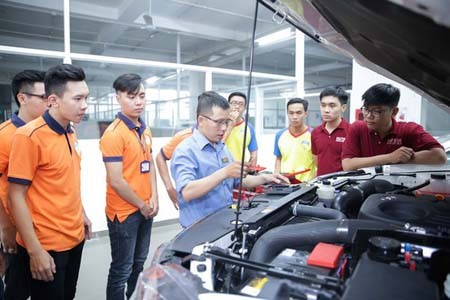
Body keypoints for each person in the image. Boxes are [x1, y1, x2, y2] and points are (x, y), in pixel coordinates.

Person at [7, 64, 91, 300]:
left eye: (86, 97)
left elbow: (67, 178)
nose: (85, 105)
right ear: (53, 100)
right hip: (47, 245)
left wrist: (81, 213)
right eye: (78, 98)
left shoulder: (69, 131)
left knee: (68, 295)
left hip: (74, 238)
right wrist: (35, 251)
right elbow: (16, 195)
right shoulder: (29, 136)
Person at [170, 91, 288, 228]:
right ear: (201, 120)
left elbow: (238, 180)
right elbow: (187, 192)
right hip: (197, 228)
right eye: (218, 122)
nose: (224, 128)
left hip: (223, 221)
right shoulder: (186, 151)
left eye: (226, 122)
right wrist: (224, 172)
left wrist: (266, 178)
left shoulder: (221, 148)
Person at [99, 73, 158, 300]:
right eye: (132, 97)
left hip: (145, 208)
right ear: (118, 98)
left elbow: (149, 163)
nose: (138, 102)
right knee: (121, 269)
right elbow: (116, 180)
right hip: (124, 213)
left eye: (141, 96)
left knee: (139, 263)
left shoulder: (144, 128)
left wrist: (154, 198)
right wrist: (142, 205)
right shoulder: (113, 135)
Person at [0, 70, 47, 300]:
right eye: (43, 97)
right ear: (22, 98)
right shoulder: (5, 135)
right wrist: (6, 228)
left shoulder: (48, 132)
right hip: (17, 230)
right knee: (17, 289)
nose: (50, 102)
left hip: (45, 229)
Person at [342, 83, 446, 170]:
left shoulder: (408, 130)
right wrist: (390, 158)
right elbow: (348, 165)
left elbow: (440, 157)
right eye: (366, 109)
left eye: (377, 111)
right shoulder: (358, 128)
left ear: (394, 111)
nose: (369, 116)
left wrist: (404, 158)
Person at [274, 98, 316, 182]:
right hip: (285, 184)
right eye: (291, 113)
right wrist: (277, 178)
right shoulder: (280, 135)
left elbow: (319, 163)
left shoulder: (314, 135)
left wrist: (312, 183)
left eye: (299, 113)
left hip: (306, 185)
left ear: (306, 114)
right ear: (287, 114)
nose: (294, 117)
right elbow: (278, 158)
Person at [311, 87, 350, 176]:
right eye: (323, 105)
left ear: (343, 108)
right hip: (321, 183)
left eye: (332, 105)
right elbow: (316, 159)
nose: (326, 110)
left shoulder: (351, 132)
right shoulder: (315, 132)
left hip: (344, 183)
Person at [155, 127, 194, 210]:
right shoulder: (185, 136)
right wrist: (169, 188)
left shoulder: (223, 134)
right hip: (193, 203)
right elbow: (160, 157)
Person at [223, 92, 258, 166]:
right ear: (228, 105)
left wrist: (250, 169)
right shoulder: (220, 123)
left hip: (239, 170)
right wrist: (230, 125)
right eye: (234, 103)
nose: (237, 106)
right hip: (220, 169)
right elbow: (217, 146)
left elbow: (254, 154)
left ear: (245, 108)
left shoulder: (248, 127)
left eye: (241, 104)